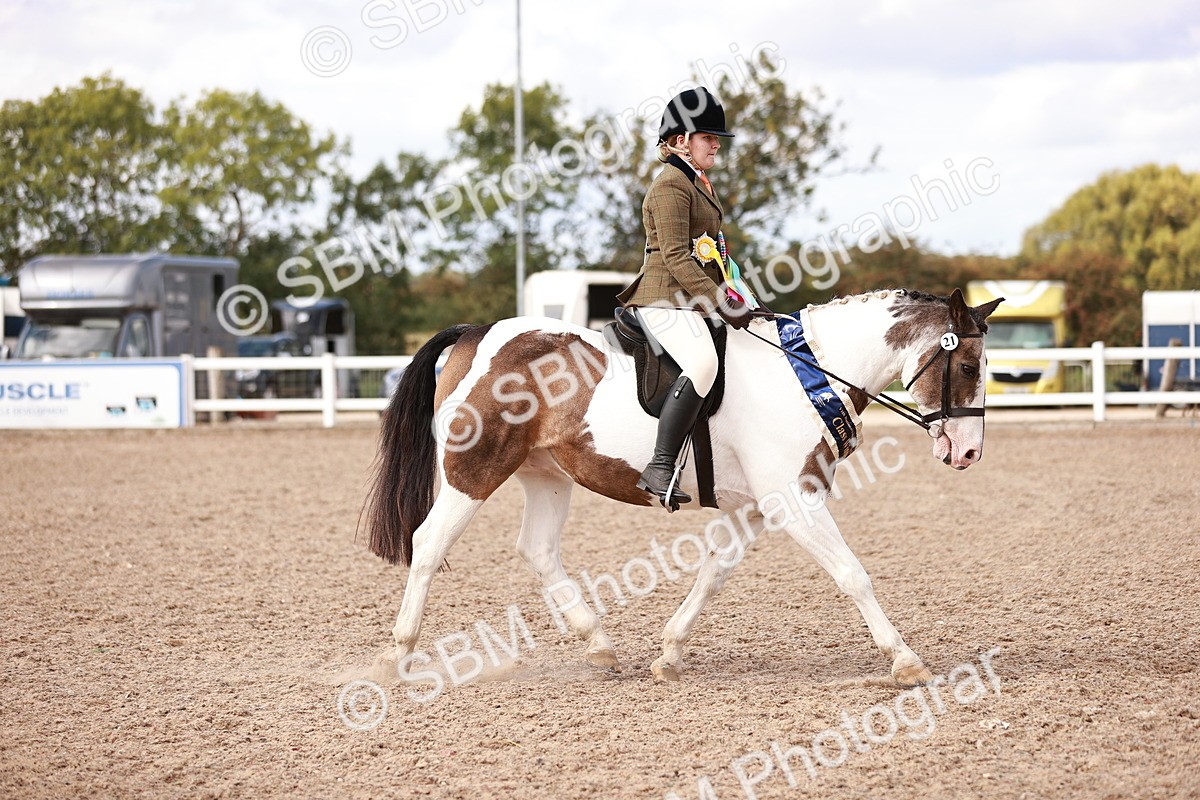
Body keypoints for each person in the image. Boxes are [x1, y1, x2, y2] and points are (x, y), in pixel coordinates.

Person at [615, 86, 750, 510]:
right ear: (679, 141)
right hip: (663, 298)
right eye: (708, 137)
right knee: (703, 363)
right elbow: (674, 256)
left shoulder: (696, 183)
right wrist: (719, 300)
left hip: (689, 298)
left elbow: (712, 253)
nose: (715, 144)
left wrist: (739, 293)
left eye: (716, 138)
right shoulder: (670, 185)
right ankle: (660, 465)